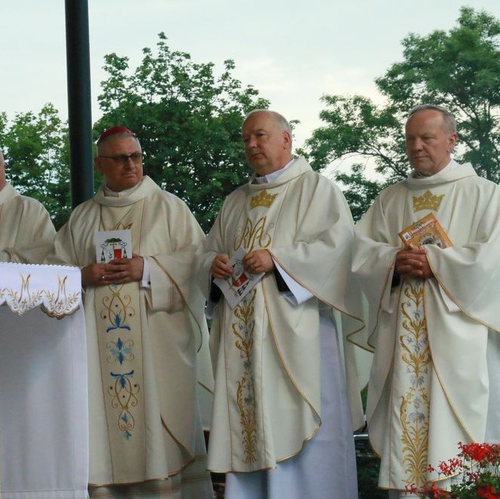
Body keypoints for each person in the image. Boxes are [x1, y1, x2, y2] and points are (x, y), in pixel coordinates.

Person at [195, 110, 364, 498]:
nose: (251, 145)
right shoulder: (236, 201)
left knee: (302, 432)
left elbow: (338, 248)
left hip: (298, 338)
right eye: (246, 139)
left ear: (287, 140)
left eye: (260, 136)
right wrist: (212, 264)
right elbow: (205, 253)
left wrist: (279, 260)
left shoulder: (316, 189)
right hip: (244, 344)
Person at [45, 126, 214, 497]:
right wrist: (81, 276)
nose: (131, 165)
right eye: (120, 158)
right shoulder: (83, 218)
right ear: (100, 164)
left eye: (135, 157)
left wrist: (150, 269)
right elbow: (52, 276)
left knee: (161, 437)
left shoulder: (169, 207)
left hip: (158, 351)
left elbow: (198, 262)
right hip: (97, 356)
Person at [351, 104, 500, 497]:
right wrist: (390, 261)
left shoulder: (485, 195)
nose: (416, 147)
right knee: (408, 442)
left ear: (452, 140)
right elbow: (361, 252)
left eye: (427, 138)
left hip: (459, 344)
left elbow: (493, 261)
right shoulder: (390, 199)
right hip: (404, 341)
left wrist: (437, 263)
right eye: (410, 139)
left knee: (460, 434)